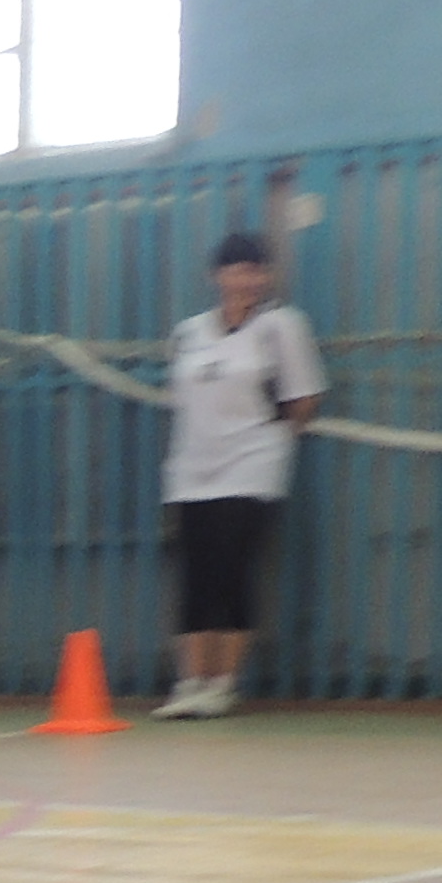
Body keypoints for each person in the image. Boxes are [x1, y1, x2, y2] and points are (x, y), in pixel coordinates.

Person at [153, 229, 327, 721]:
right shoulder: (189, 332)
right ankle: (189, 682)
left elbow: (304, 396)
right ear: (217, 275)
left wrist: (270, 439)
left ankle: (222, 684)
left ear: (266, 276)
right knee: (194, 572)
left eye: (256, 270)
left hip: (251, 464)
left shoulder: (282, 325)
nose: (246, 279)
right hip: (192, 467)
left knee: (232, 568)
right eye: (236, 269)